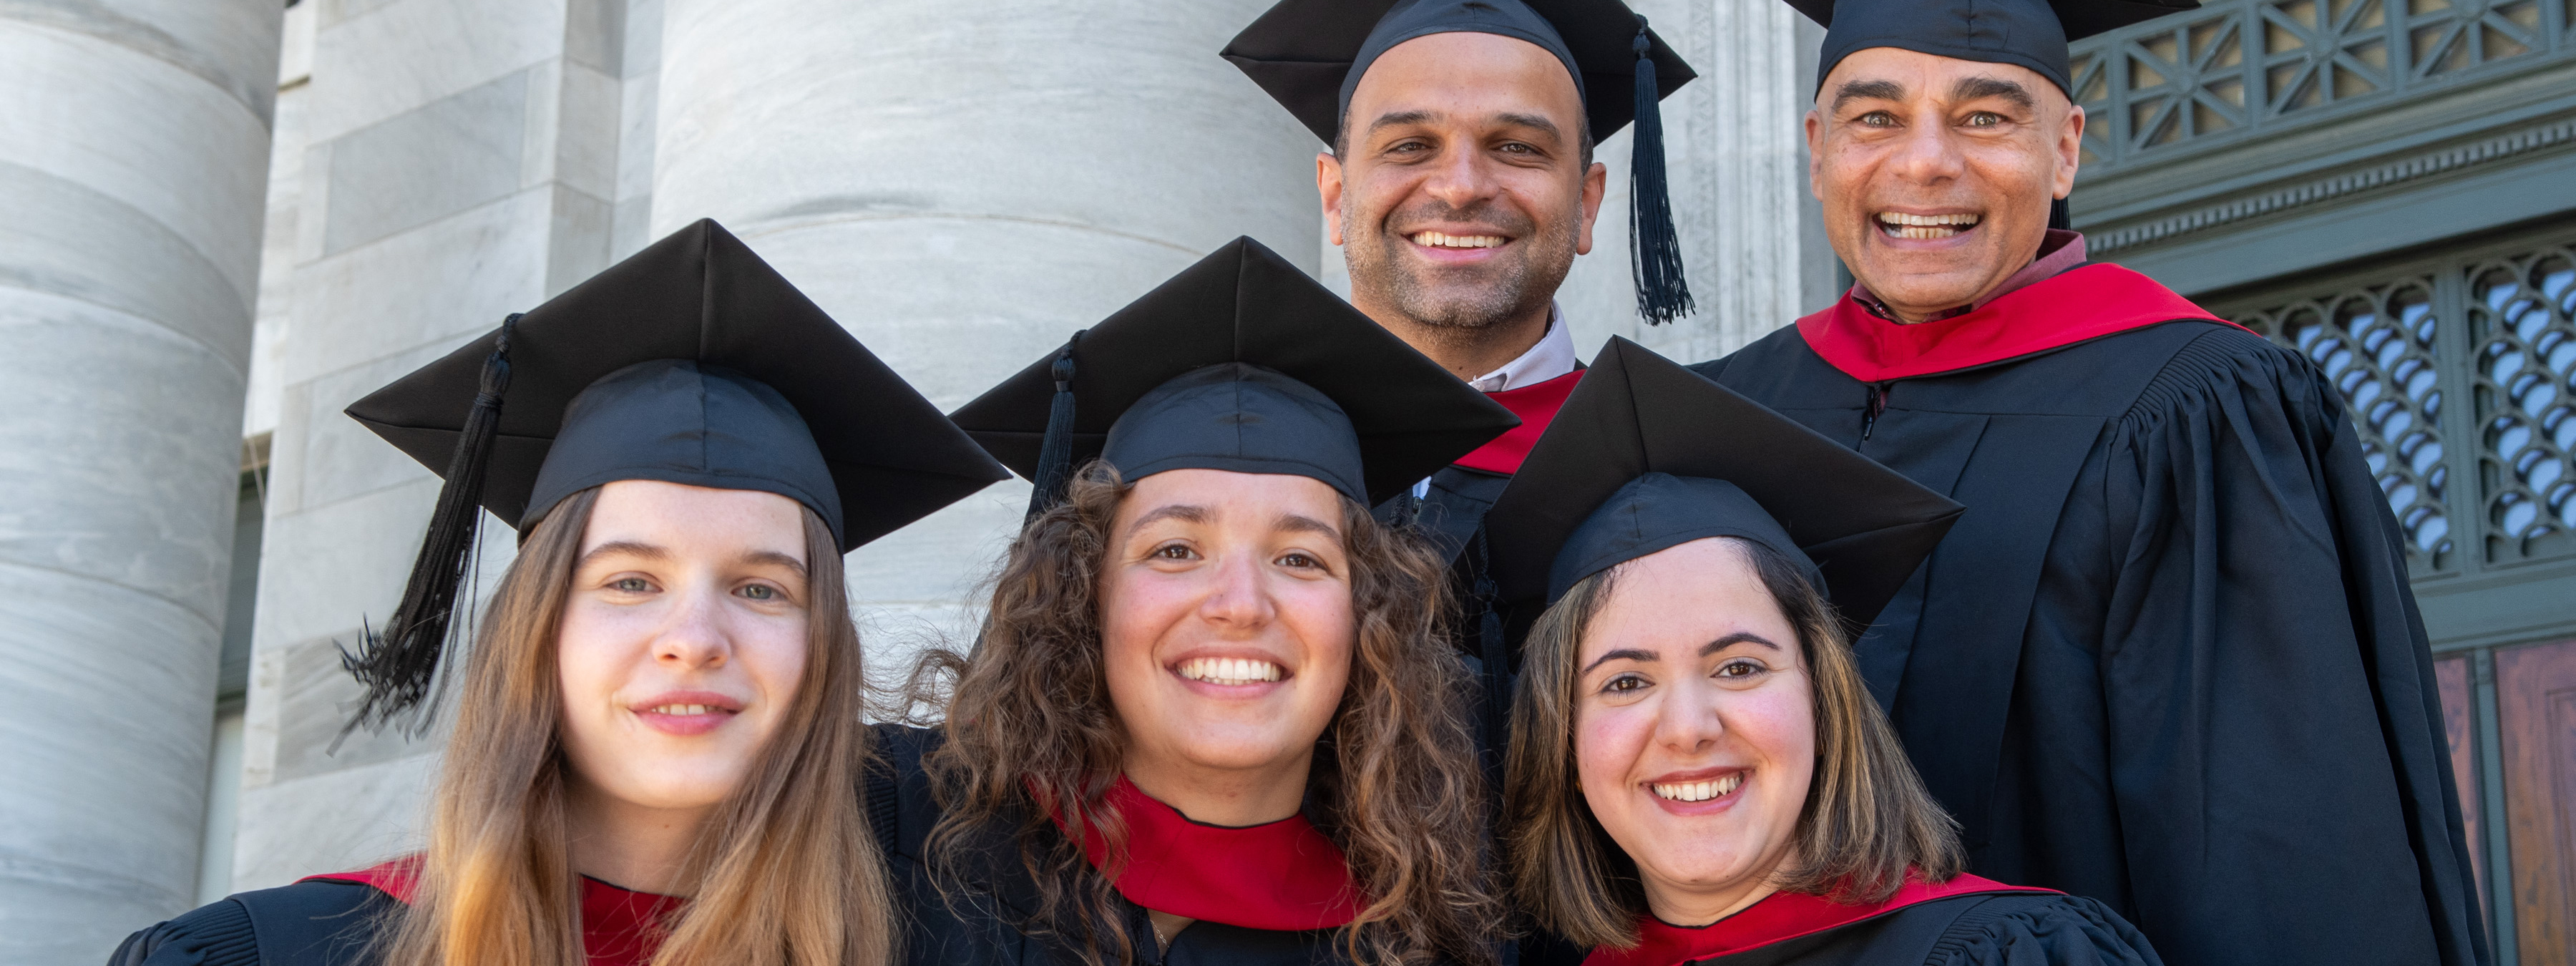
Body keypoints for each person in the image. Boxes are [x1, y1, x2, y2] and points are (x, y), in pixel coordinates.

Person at [1688, 1, 2490, 963]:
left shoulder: (2199, 412)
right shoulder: (1721, 413)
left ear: (2066, 150)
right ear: (1818, 150)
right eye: (1877, 118)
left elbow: (2279, 863)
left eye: (1986, 117)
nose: (1925, 163)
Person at [105, 220, 1009, 966]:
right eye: (629, 580)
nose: (694, 636)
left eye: (761, 590)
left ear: (822, 652)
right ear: (535, 631)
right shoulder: (276, 956)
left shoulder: (940, 936)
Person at [895, 236, 1518, 965]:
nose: (1240, 604)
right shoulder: (895, 840)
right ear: (1083, 596)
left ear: (1368, 617)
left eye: (1299, 558)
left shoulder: (1430, 940)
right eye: (1175, 550)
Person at [1488, 338, 2162, 965]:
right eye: (1626, 683)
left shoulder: (2000, 953)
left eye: (1739, 667)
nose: (1689, 729)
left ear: (1826, 701)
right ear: (1564, 743)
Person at [1223, 0, 1699, 793]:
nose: (1462, 186)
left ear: (1585, 204)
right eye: (1411, 145)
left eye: (1516, 148)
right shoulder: (1209, 469)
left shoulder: (1672, 477)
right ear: (1336, 196)